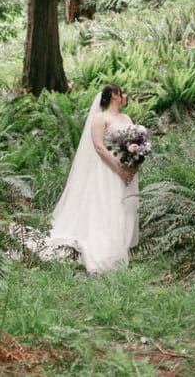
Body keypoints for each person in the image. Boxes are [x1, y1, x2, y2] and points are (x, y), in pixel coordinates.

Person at [45, 83, 139, 273]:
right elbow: (98, 147)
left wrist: (135, 163)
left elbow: (135, 143)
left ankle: (122, 243)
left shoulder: (126, 117)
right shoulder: (100, 118)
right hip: (107, 170)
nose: (126, 96)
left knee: (125, 205)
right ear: (114, 95)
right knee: (109, 205)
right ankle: (106, 248)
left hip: (128, 170)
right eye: (123, 93)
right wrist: (119, 169)